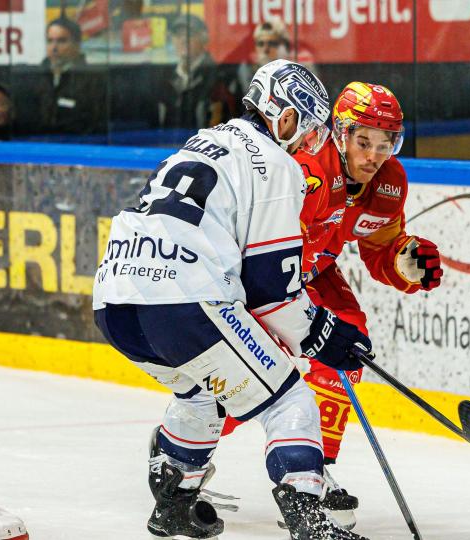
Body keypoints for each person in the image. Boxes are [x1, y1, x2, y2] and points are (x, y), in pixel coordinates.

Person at [92, 60, 370, 540]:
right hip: (184, 304)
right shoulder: (277, 165)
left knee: (203, 393)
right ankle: (310, 521)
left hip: (114, 302)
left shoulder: (203, 141)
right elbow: (269, 294)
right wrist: (323, 333)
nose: (306, 144)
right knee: (289, 400)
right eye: (304, 129)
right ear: (281, 116)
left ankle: (173, 503)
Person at [222, 82, 443, 529]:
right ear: (339, 133)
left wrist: (406, 261)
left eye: (387, 143)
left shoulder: (389, 182)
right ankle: (191, 437)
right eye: (364, 141)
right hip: (261, 277)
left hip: (313, 271)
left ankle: (314, 473)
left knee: (348, 343)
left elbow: (381, 250)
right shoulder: (307, 168)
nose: (374, 155)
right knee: (253, 371)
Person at [159, 15, 234, 130]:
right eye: (178, 35)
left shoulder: (219, 77)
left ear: (204, 40)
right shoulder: (164, 77)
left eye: (190, 34)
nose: (183, 39)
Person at [36, 18, 106, 136]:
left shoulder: (92, 80)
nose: (54, 48)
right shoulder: (36, 77)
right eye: (49, 41)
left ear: (77, 45)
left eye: (61, 41)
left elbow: (94, 123)